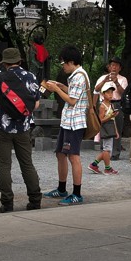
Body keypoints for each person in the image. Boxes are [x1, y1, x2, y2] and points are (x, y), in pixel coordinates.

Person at [0, 47, 42, 213]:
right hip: (23, 127)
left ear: (5, 63)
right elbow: (36, 104)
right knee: (27, 163)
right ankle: (35, 200)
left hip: (2, 128)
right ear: (19, 61)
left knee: (4, 165)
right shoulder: (31, 77)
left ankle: (7, 202)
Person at [42, 45, 89, 205]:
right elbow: (74, 92)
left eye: (64, 63)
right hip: (68, 122)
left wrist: (56, 89)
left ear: (71, 62)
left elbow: (72, 100)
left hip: (75, 123)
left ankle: (77, 193)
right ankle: (62, 189)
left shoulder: (79, 76)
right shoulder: (76, 76)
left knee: (73, 156)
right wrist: (62, 87)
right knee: (60, 154)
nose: (63, 66)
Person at [94, 57, 128, 160]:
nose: (114, 67)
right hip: (103, 104)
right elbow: (96, 89)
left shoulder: (123, 79)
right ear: (109, 67)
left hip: (116, 104)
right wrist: (105, 80)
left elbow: (123, 93)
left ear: (120, 68)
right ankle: (104, 151)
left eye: (116, 65)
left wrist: (116, 82)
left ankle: (115, 153)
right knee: (103, 126)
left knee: (117, 127)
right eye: (112, 65)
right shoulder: (103, 78)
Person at [91, 81, 120, 175]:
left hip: (110, 128)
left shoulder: (111, 105)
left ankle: (94, 164)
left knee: (107, 150)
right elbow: (101, 120)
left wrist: (116, 131)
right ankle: (107, 168)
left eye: (111, 92)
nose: (110, 94)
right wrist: (110, 116)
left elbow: (113, 120)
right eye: (108, 92)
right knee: (107, 150)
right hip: (105, 129)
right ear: (103, 94)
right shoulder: (102, 106)